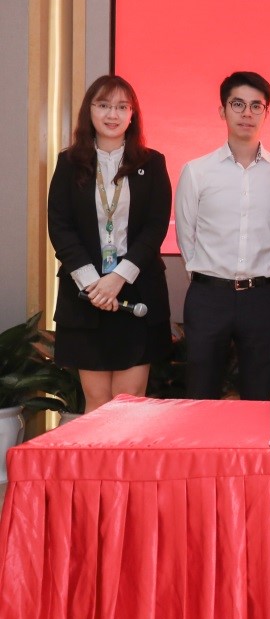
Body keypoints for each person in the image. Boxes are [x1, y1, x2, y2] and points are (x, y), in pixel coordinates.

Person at [47, 75, 172, 413]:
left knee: (128, 402)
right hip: (86, 295)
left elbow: (155, 228)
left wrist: (118, 277)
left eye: (121, 107)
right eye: (103, 105)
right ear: (89, 111)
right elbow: (60, 227)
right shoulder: (69, 163)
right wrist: (93, 283)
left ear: (133, 114)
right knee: (98, 400)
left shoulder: (152, 163)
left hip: (136, 290)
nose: (112, 114)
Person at [175, 71, 270, 401]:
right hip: (208, 297)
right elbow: (186, 234)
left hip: (262, 299)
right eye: (238, 104)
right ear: (222, 110)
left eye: (256, 106)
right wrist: (205, 274)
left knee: (259, 395)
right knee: (201, 393)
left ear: (266, 113)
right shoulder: (197, 171)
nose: (247, 113)